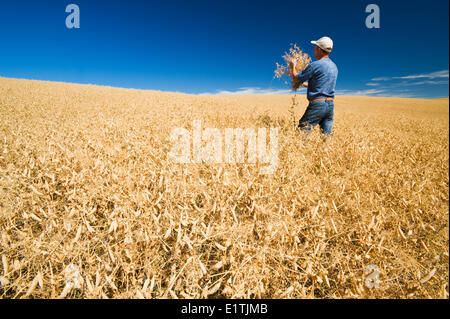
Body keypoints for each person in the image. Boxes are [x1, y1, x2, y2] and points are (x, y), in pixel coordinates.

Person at [289, 37, 338, 135]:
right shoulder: (334, 67)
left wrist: (292, 66)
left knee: (301, 131)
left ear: (319, 49)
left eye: (315, 47)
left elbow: (295, 78)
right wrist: (304, 84)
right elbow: (321, 85)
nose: (314, 50)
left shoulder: (315, 65)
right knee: (326, 138)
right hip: (330, 106)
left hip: (318, 105)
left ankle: (301, 150)